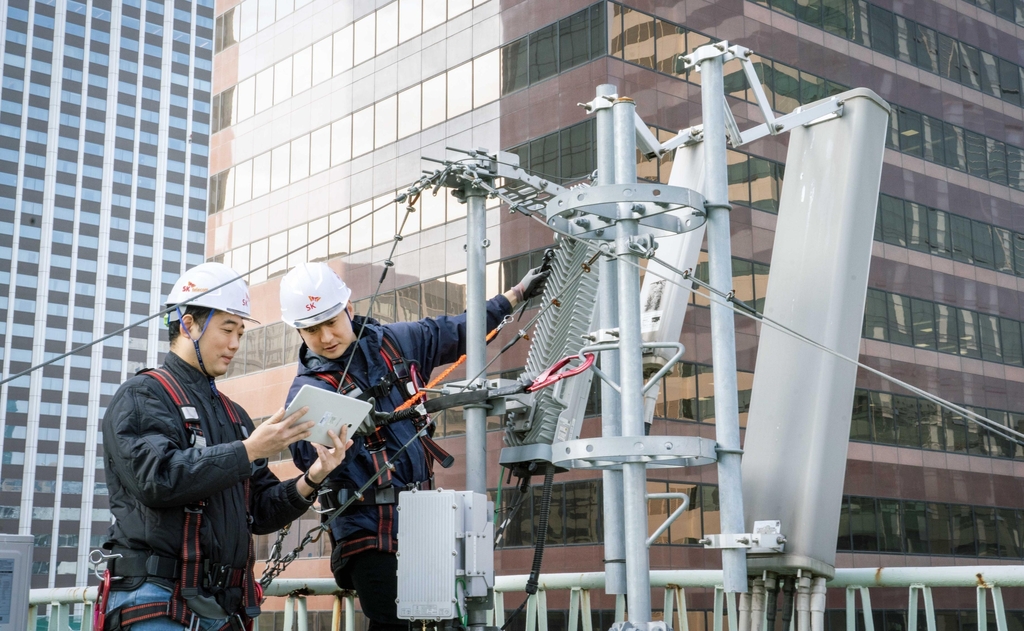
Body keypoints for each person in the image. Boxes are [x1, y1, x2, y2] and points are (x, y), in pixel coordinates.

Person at [280, 261, 550, 631]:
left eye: (331, 322)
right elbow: (305, 458)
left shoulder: (396, 342)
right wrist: (338, 444)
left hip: (422, 520)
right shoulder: (310, 392)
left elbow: (457, 329)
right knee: (392, 621)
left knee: (443, 619)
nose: (325, 337)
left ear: (349, 309)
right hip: (365, 532)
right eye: (311, 329)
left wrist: (515, 295)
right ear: (299, 330)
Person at [100, 262, 353, 631]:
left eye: (240, 331)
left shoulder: (235, 416)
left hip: (221, 607)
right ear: (188, 324)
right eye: (227, 329)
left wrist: (315, 476)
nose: (235, 343)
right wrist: (248, 451)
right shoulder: (143, 395)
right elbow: (156, 479)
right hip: (157, 599)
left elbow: (261, 510)